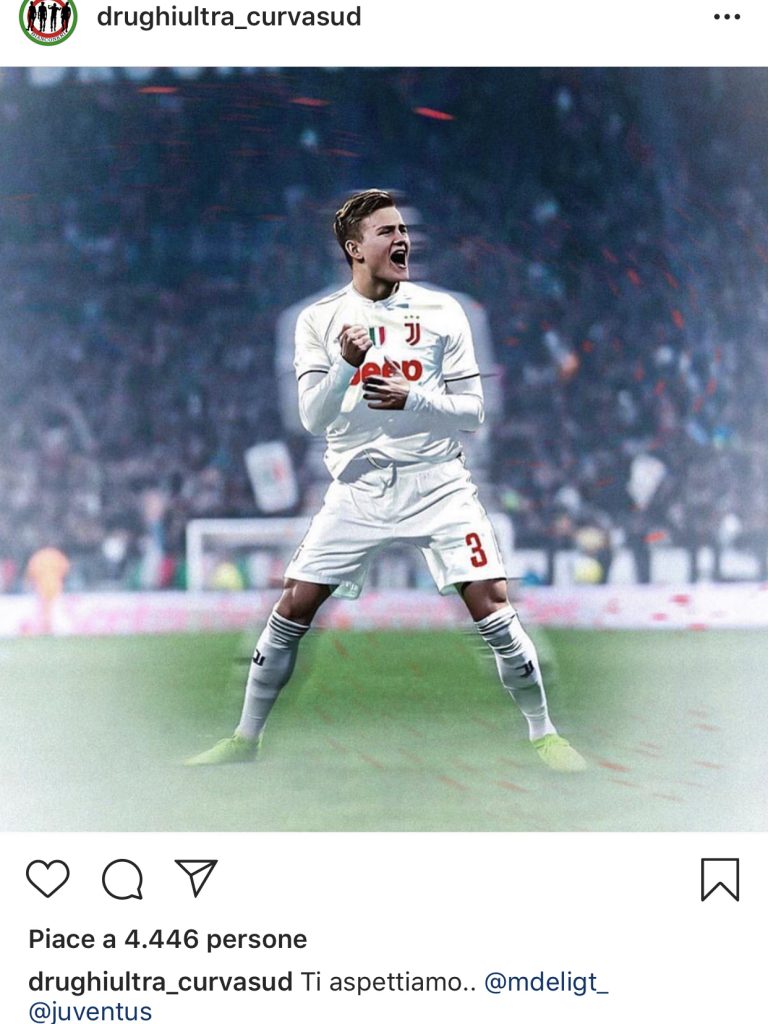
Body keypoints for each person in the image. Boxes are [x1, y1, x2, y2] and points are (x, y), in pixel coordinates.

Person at [186, 189, 585, 772]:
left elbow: (479, 409)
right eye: (388, 231)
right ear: (351, 247)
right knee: (292, 606)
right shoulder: (312, 320)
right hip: (356, 487)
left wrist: (412, 399)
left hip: (439, 482)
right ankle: (245, 738)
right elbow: (306, 418)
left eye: (407, 231)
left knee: (495, 607)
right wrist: (347, 368)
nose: (403, 241)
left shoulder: (453, 313)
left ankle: (545, 735)